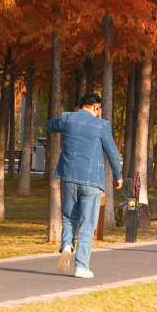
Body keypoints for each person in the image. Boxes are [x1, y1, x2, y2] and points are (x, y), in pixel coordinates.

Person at [47, 92, 123, 279]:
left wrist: (71, 115)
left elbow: (50, 126)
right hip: (92, 180)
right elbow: (112, 151)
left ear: (80, 106)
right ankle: (81, 266)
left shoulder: (67, 119)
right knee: (88, 223)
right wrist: (118, 175)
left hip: (69, 177)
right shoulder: (101, 125)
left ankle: (66, 245)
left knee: (69, 217)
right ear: (96, 107)